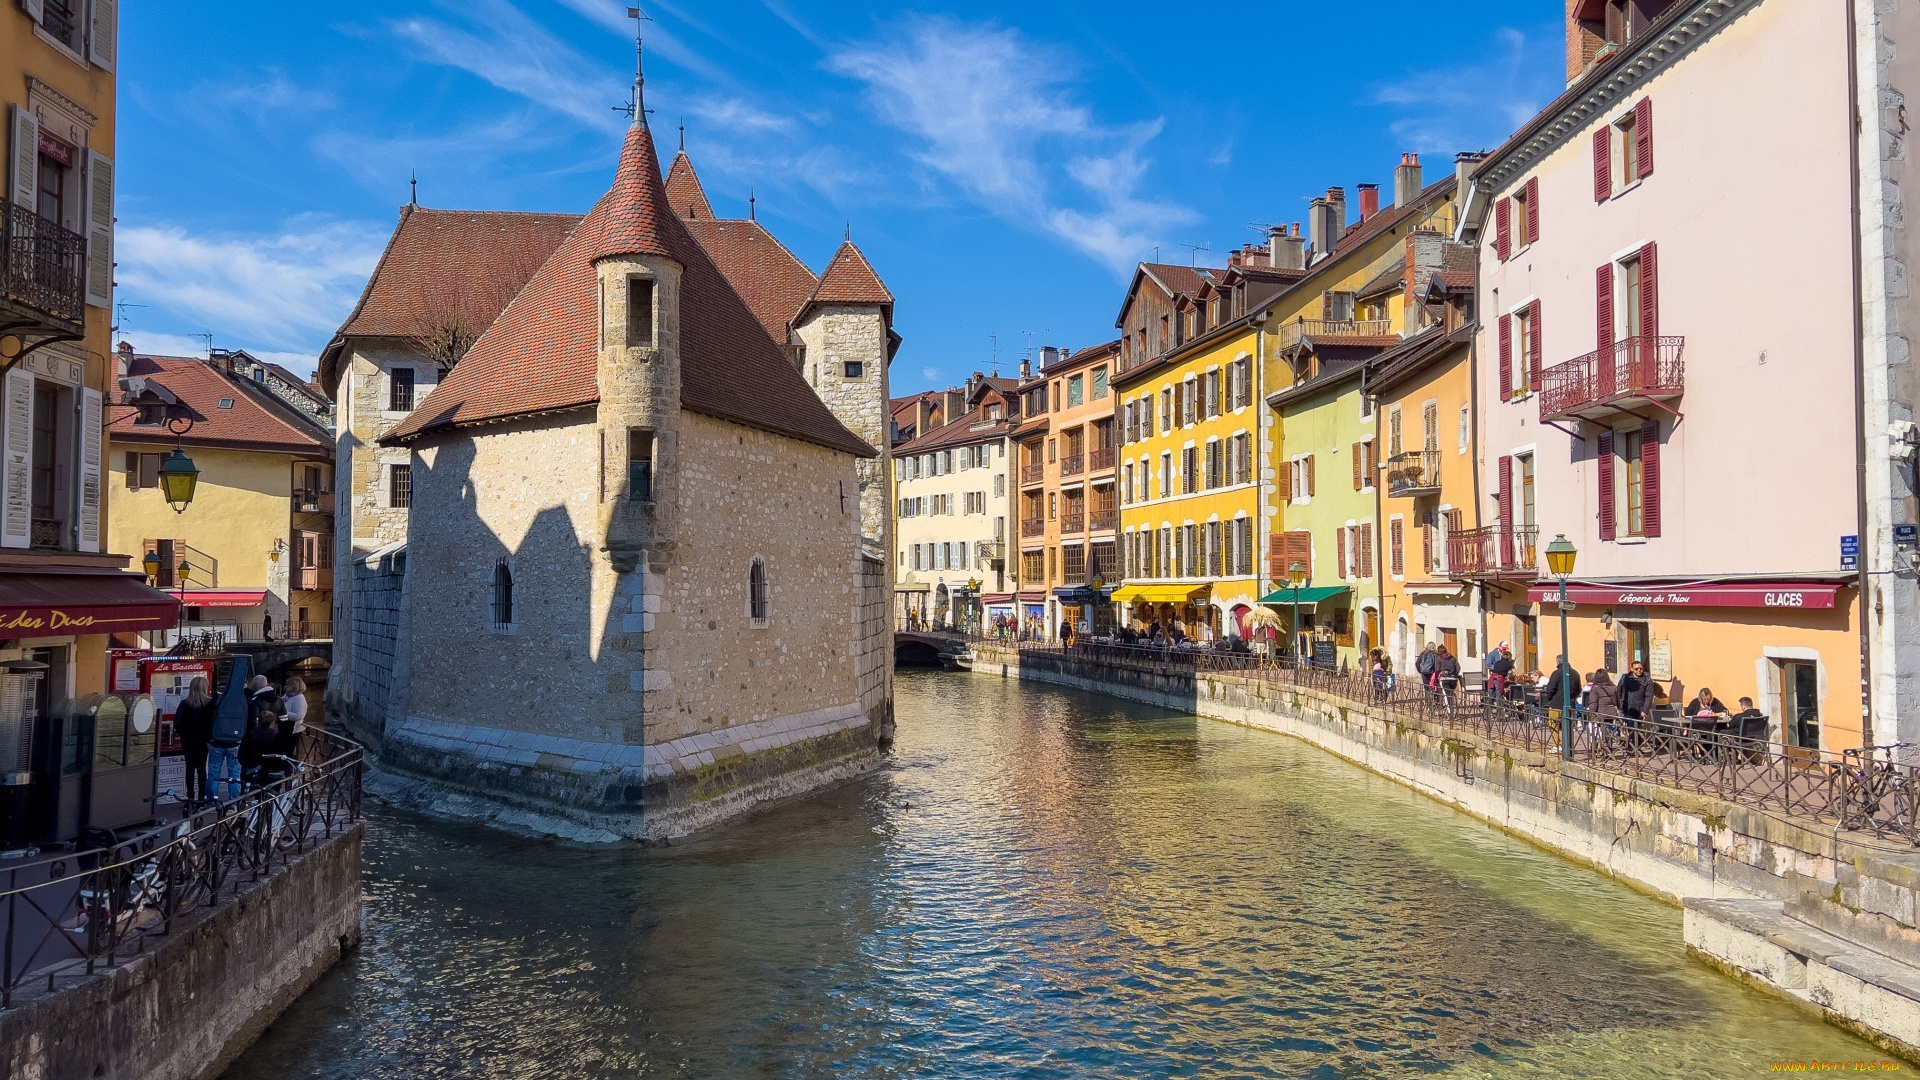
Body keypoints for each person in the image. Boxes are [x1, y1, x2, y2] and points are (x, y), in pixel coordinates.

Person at [172, 677, 217, 806]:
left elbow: (178, 722)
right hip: (204, 740)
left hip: (188, 740)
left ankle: (190, 798)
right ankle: (201, 797)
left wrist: (183, 733)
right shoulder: (211, 703)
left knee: (190, 768)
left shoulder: (185, 703)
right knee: (202, 769)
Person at [207, 682, 246, 804]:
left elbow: (211, 719)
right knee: (235, 774)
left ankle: (212, 801)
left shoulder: (219, 700)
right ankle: (233, 801)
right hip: (234, 743)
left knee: (213, 773)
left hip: (217, 743)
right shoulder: (242, 701)